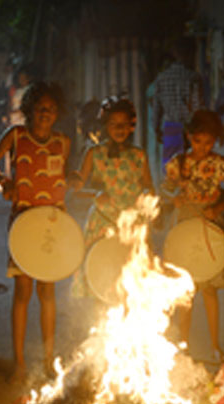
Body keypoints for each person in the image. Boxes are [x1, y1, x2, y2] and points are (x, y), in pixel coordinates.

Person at [0, 81, 71, 383]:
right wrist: (5, 182)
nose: (45, 114)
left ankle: (48, 359)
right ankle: (18, 361)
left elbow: (65, 175)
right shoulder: (16, 136)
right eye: (40, 108)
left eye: (51, 109)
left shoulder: (63, 142)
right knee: (22, 292)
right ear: (29, 110)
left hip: (53, 224)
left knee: (48, 292)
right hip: (23, 222)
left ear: (57, 113)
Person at [160, 110, 224, 362]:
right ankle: (184, 347)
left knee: (210, 290)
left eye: (208, 142)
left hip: (211, 224)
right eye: (197, 141)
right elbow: (165, 188)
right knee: (186, 290)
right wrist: (175, 199)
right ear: (188, 137)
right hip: (184, 223)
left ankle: (216, 346)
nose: (203, 147)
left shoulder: (221, 165)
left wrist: (218, 207)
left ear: (215, 140)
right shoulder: (177, 164)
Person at [69, 96, 155, 298]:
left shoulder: (139, 155)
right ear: (105, 126)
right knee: (102, 279)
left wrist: (147, 198)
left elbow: (149, 187)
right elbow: (77, 189)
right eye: (114, 124)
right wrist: (95, 194)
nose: (119, 129)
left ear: (132, 126)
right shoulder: (94, 153)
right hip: (102, 224)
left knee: (130, 281)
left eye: (124, 125)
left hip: (132, 225)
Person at [152, 38, 204, 172]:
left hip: (170, 128)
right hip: (190, 127)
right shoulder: (193, 77)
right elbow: (197, 106)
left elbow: (157, 107)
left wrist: (156, 128)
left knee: (170, 167)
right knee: (190, 168)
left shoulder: (162, 77)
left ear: (175, 53)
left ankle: (171, 193)